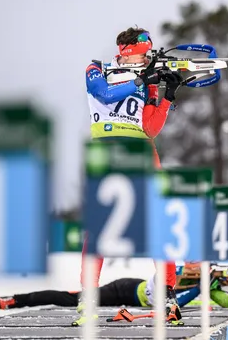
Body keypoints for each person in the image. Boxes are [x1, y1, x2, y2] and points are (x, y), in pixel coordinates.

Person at [82, 26, 183, 321]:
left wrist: (166, 96)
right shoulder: (97, 68)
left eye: (147, 55)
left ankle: (167, 292)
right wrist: (141, 79)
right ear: (126, 52)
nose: (146, 59)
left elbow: (150, 127)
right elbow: (103, 94)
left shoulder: (147, 81)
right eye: (142, 55)